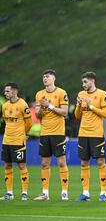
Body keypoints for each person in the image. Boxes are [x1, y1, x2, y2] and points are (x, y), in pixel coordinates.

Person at [33, 69, 70, 201]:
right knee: (44, 163)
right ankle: (45, 193)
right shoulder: (39, 94)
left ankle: (64, 192)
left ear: (54, 78)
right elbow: (37, 115)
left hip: (58, 133)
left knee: (61, 162)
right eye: (43, 77)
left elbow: (65, 113)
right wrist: (42, 108)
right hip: (45, 133)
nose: (45, 79)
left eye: (47, 76)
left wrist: (49, 105)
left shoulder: (61, 92)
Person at [74, 72, 106, 201]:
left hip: (96, 134)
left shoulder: (102, 94)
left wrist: (91, 106)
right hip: (83, 133)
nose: (83, 84)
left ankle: (103, 193)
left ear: (92, 81)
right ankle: (85, 193)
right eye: (82, 82)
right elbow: (77, 116)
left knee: (100, 162)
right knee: (84, 162)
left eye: (85, 82)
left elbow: (105, 113)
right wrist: (79, 105)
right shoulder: (81, 95)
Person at [0, 83, 32, 201]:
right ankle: (9, 193)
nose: (5, 93)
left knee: (21, 165)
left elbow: (29, 122)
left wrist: (25, 133)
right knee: (7, 165)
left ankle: (24, 192)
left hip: (18, 140)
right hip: (7, 140)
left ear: (14, 92)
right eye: (5, 91)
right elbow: (5, 120)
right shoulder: (5, 105)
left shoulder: (23, 104)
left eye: (7, 91)